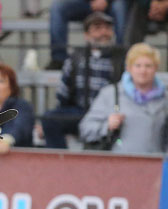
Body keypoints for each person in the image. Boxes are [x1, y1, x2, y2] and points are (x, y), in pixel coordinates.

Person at [42, 12, 123, 149]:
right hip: (80, 113)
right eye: (97, 28)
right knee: (49, 119)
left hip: (110, 115)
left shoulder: (121, 58)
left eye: (107, 28)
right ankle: (58, 164)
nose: (104, 32)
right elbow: (63, 95)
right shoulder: (75, 58)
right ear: (86, 35)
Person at [79, 43, 168, 153]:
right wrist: (107, 126)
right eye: (138, 65)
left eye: (148, 66)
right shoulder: (110, 94)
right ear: (128, 68)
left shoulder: (165, 98)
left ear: (156, 68)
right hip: (118, 164)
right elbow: (85, 129)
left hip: (155, 165)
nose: (143, 71)